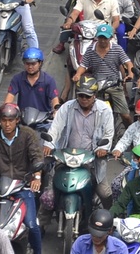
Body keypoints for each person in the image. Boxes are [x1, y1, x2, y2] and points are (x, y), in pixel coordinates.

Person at [0, 103, 44, 254]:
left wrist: (36, 177)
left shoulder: (28, 134)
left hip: (22, 186)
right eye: (4, 120)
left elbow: (37, 156)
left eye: (11, 120)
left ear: (17, 120)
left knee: (31, 224)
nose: (7, 124)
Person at [44, 75, 114, 204]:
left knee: (105, 193)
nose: (84, 99)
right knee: (49, 196)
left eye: (87, 96)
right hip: (66, 158)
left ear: (95, 95)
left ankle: (109, 222)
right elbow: (55, 128)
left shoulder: (105, 110)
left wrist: (103, 149)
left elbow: (108, 134)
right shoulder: (67, 107)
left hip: (91, 160)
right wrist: (49, 144)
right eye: (81, 95)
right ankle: (40, 223)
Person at [73, 23, 135, 125]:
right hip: (97, 85)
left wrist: (130, 74)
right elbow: (83, 65)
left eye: (105, 38)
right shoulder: (90, 50)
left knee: (126, 115)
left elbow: (128, 63)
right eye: (100, 37)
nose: (102, 40)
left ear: (110, 37)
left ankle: (131, 133)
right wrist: (78, 75)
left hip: (114, 85)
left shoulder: (117, 49)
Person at [6, 48, 60, 126]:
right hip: (22, 120)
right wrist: (6, 109)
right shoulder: (17, 79)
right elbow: (10, 96)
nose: (30, 67)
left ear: (40, 63)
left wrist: (56, 111)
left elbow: (55, 99)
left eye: (33, 64)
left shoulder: (48, 80)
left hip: (43, 121)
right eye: (27, 63)